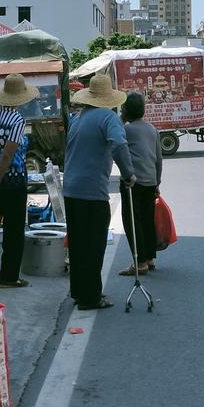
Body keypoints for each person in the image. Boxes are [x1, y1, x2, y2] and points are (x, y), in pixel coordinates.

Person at [63, 74, 135, 311]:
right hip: (91, 190)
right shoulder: (108, 117)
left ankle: (79, 292)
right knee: (93, 246)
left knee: (78, 245)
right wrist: (128, 173)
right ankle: (91, 297)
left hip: (71, 189)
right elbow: (119, 145)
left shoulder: (78, 118)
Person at [0, 73, 39, 288]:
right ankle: (9, 276)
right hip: (12, 182)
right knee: (13, 231)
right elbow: (8, 153)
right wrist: (0, 178)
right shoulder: (16, 120)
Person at [119, 93, 161, 276]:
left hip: (133, 183)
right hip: (151, 181)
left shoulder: (126, 130)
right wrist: (157, 182)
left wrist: (121, 119)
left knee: (132, 223)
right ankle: (150, 258)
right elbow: (158, 159)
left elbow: (117, 147)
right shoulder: (152, 129)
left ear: (126, 110)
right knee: (147, 220)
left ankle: (140, 262)